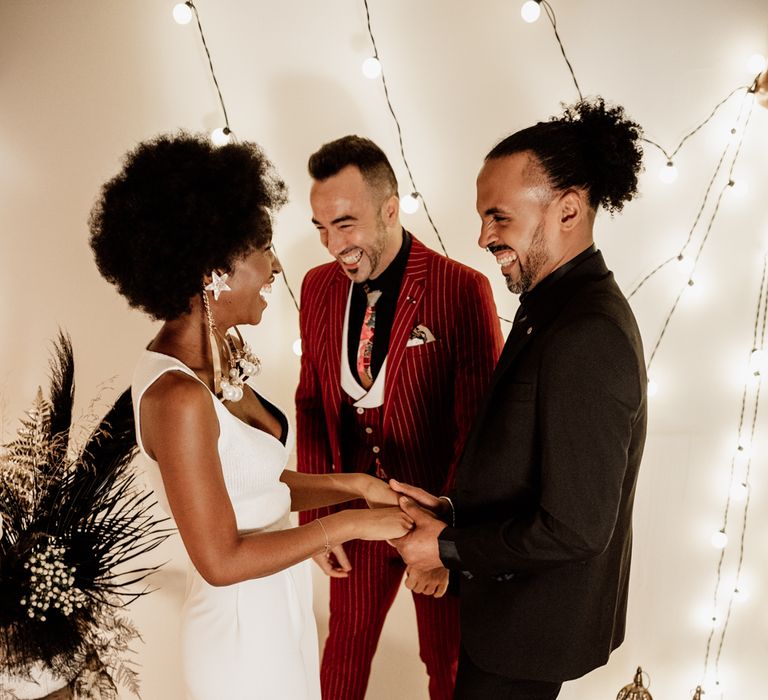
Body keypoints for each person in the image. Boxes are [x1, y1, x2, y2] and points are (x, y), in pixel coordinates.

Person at [88, 133, 414, 700]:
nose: (276, 264)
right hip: (240, 640)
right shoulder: (178, 397)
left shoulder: (215, 356)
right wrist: (352, 524)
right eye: (263, 246)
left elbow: (253, 487)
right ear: (215, 268)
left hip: (279, 614)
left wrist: (357, 487)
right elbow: (220, 559)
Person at [391, 98, 648, 700]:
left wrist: (445, 547)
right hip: (507, 614)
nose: (482, 237)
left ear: (568, 210)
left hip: (530, 631)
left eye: (498, 217)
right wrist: (449, 513)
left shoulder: (588, 331)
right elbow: (529, 465)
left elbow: (576, 527)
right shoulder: (548, 306)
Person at [295, 135, 503, 699]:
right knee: (343, 655)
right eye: (321, 227)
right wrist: (315, 520)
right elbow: (313, 404)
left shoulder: (461, 289)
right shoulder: (315, 288)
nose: (333, 244)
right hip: (353, 516)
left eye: (346, 224)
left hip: (439, 514)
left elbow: (481, 430)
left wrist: (448, 543)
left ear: (391, 209)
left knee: (449, 665)